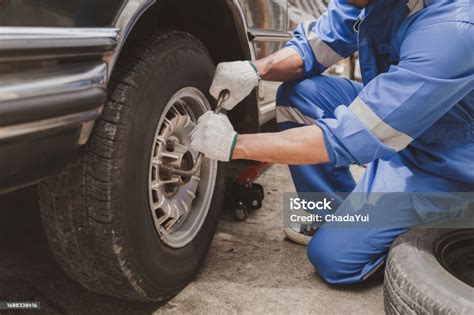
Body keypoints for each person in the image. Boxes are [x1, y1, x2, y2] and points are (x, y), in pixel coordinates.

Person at [190, 0, 474, 284]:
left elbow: (350, 138)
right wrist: (256, 70)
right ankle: (339, 216)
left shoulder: (454, 29)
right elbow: (314, 48)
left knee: (332, 258)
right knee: (301, 96)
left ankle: (453, 218)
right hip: (400, 125)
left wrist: (234, 144)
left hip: (446, 166)